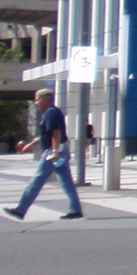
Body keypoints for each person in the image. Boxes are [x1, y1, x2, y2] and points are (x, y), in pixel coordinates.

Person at [3, 89, 84, 221]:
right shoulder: (51, 112)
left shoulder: (51, 112)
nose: (36, 103)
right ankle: (76, 210)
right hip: (59, 150)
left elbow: (56, 133)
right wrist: (31, 145)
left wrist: (54, 152)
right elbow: (46, 134)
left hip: (54, 150)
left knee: (38, 180)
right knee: (66, 182)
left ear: (46, 99)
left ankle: (20, 209)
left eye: (37, 99)